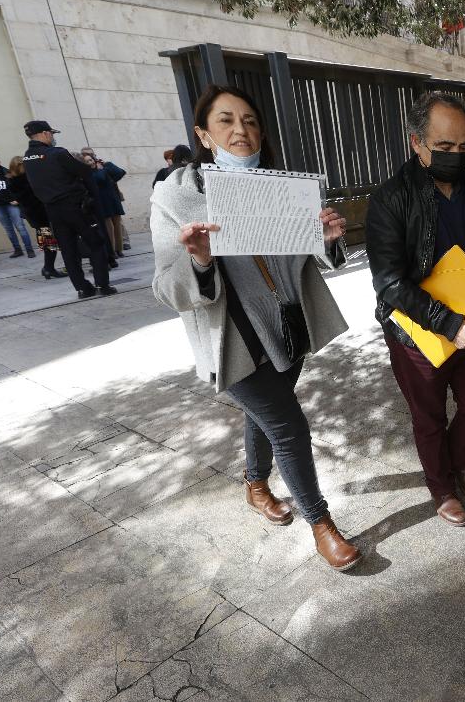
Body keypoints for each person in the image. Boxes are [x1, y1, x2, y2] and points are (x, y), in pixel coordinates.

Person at [150, 84, 360, 571]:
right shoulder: (176, 194)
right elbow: (165, 287)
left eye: (249, 120)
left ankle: (255, 484)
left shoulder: (281, 187)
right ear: (204, 133)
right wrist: (198, 258)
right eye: (225, 121)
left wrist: (326, 238)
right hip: (236, 340)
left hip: (288, 328)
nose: (240, 131)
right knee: (289, 426)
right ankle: (321, 523)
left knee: (266, 417)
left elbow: (310, 260)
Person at [366, 91, 465, 527]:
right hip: (419, 330)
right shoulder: (390, 198)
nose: (456, 156)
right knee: (429, 415)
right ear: (416, 142)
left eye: (463, 146)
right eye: (443, 147)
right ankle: (441, 487)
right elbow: (390, 283)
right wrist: (447, 323)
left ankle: (457, 461)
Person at [21, 121, 115, 299]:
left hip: (53, 210)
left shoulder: (27, 158)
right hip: (75, 207)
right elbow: (84, 171)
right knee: (95, 243)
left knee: (69, 250)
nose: (53, 137)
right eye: (51, 134)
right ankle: (103, 284)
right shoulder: (57, 153)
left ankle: (82, 289)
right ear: (45, 134)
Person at [8, 156, 64, 280]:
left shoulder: (14, 181)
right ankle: (48, 269)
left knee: (48, 243)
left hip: (35, 216)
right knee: (49, 243)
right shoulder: (26, 180)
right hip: (39, 215)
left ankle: (48, 268)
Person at [0, 152, 36, 259]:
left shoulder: (6, 172)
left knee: (20, 227)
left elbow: (18, 187)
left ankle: (29, 250)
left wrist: (17, 200)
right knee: (8, 228)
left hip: (11, 204)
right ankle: (17, 250)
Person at [81, 147, 130, 252]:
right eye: (87, 161)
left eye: (91, 158)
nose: (90, 162)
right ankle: (112, 251)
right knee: (109, 228)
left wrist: (107, 166)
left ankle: (119, 249)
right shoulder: (88, 173)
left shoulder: (104, 166)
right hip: (102, 202)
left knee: (117, 225)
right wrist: (102, 170)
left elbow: (120, 172)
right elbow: (100, 178)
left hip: (112, 199)